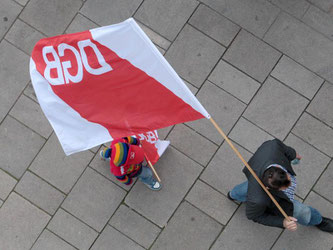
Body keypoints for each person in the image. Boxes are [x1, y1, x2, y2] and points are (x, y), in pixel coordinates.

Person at [227, 138, 333, 232]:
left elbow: (282, 148)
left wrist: (293, 154)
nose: (291, 185)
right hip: (262, 194)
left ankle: (233, 195)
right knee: (301, 211)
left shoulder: (272, 147)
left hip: (255, 176)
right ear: (268, 188)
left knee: (247, 188)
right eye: (285, 188)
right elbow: (254, 216)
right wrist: (282, 222)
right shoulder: (258, 200)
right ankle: (318, 221)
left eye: (288, 179)